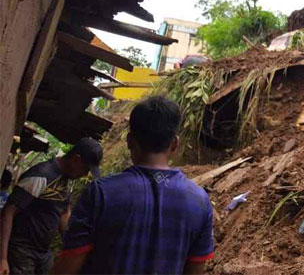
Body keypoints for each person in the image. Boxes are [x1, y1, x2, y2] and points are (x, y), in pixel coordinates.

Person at [52, 96, 214, 275]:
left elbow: (67, 266)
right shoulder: (199, 201)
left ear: (129, 141)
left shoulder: (101, 193)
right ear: (174, 144)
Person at [0, 138, 103, 275]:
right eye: (86, 169)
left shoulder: (68, 180)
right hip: (21, 250)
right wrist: (3, 258)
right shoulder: (40, 175)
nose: (85, 174)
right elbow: (8, 212)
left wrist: (75, 247)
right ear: (76, 160)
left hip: (43, 253)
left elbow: (64, 212)